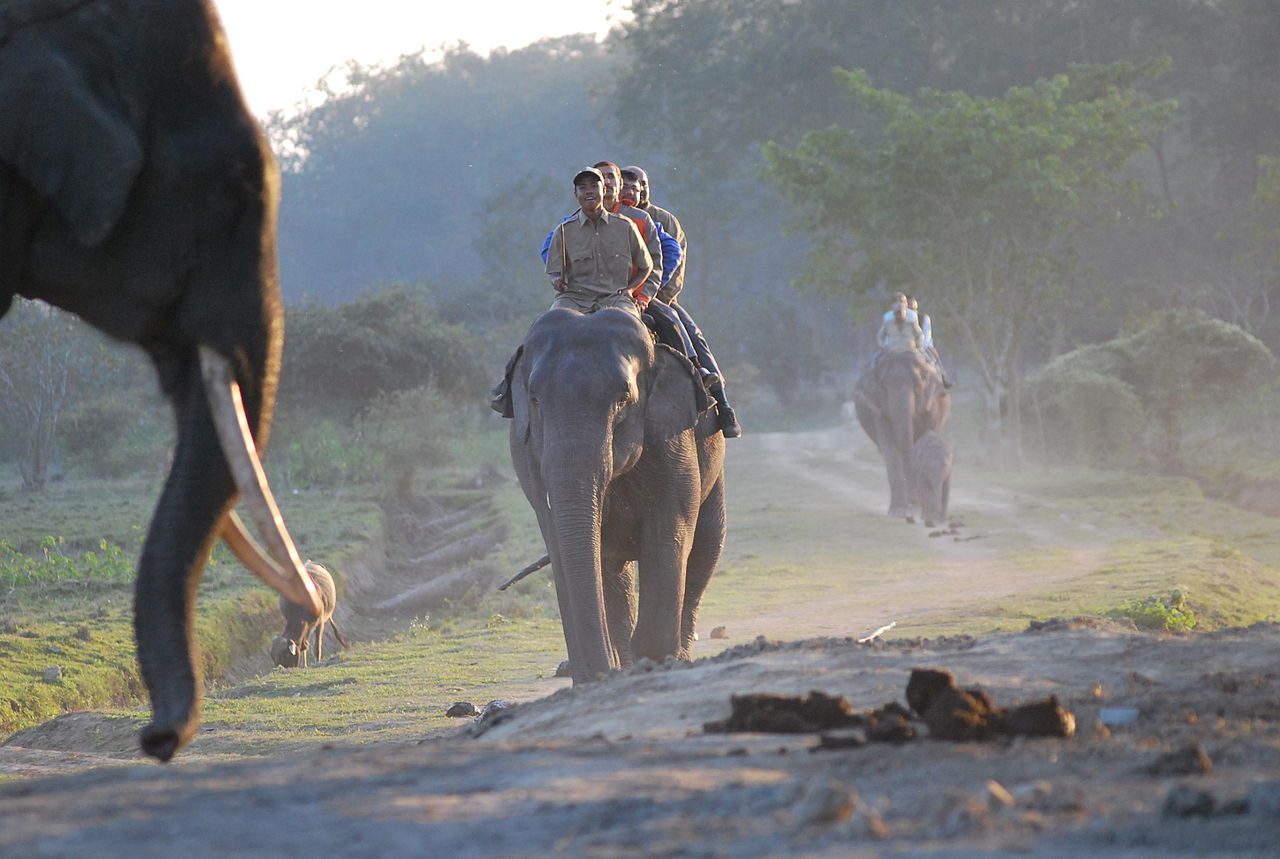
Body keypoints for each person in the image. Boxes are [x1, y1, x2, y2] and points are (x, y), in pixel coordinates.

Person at [620, 165, 741, 438]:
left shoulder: (661, 220)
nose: (632, 190)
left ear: (645, 189)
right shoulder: (610, 215)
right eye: (625, 185)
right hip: (613, 295)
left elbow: (671, 262)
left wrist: (650, 294)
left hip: (655, 295)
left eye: (638, 185)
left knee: (689, 333)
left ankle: (718, 397)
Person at [543, 166, 654, 316]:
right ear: (576, 194)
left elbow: (646, 266)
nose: (589, 191)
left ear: (604, 190)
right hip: (574, 299)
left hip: (615, 298)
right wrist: (556, 281)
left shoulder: (626, 226)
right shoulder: (563, 231)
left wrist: (630, 289)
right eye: (583, 188)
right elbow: (553, 272)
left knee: (631, 326)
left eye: (594, 186)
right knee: (549, 324)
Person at [908, 296, 952, 387]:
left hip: (920, 346)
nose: (911, 304)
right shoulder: (898, 318)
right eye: (908, 302)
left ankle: (943, 377)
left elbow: (926, 336)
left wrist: (927, 346)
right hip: (901, 345)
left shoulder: (923, 318)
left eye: (913, 302)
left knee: (934, 358)